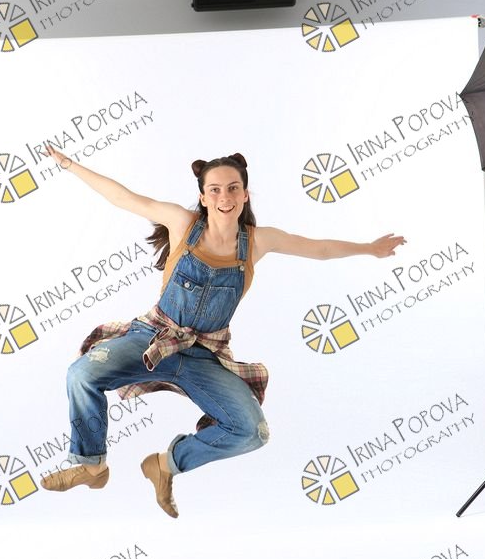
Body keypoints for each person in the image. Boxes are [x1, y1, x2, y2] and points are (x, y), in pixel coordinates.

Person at [40, 147, 405, 518]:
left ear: (245, 194)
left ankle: (165, 465)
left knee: (252, 432)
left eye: (233, 188)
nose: (224, 197)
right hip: (153, 338)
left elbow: (320, 249)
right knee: (81, 374)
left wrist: (370, 249)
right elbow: (123, 197)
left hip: (203, 356)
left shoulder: (257, 242)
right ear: (203, 197)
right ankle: (92, 466)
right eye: (214, 190)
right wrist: (70, 166)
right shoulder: (182, 224)